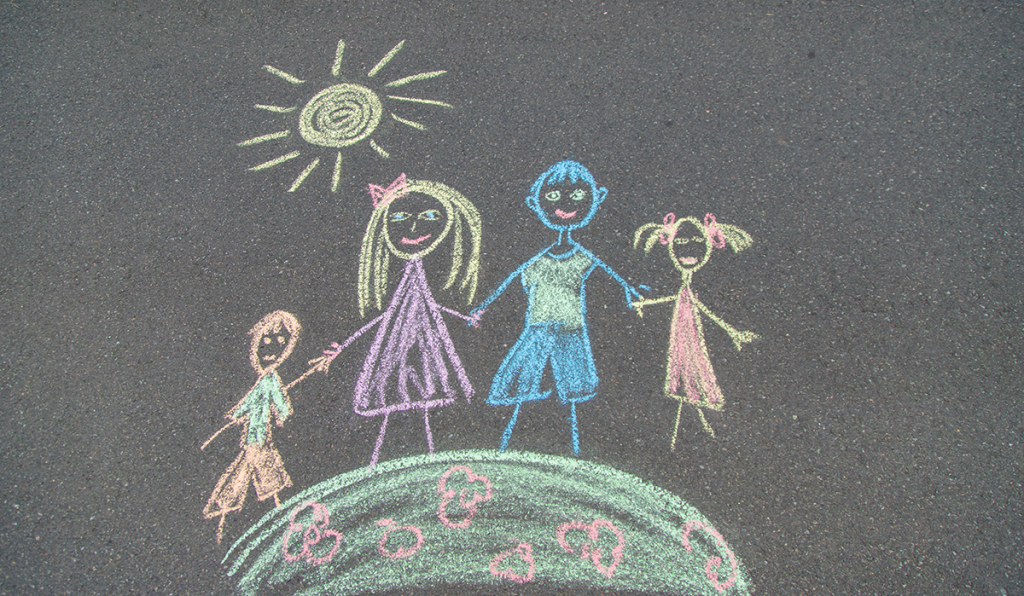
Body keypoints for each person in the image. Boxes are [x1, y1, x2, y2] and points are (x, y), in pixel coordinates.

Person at [470, 160, 641, 454]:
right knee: (528, 388)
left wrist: (633, 293)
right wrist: (484, 307)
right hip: (539, 329)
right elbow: (507, 282)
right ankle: (514, 445)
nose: (565, 204)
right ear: (534, 202)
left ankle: (568, 449)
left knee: (570, 395)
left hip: (571, 330)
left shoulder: (583, 257)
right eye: (552, 196)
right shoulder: (536, 259)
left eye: (577, 196)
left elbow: (613, 274)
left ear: (596, 198)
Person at [315, 174, 482, 467]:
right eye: (400, 218)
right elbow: (387, 316)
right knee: (398, 399)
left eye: (430, 216)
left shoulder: (416, 274)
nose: (414, 228)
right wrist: (343, 346)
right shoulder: (402, 277)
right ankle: (389, 459)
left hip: (420, 341)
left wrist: (463, 317)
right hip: (400, 344)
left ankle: (413, 458)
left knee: (417, 401)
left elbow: (428, 306)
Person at [632, 213, 758, 448]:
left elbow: (702, 309)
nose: (688, 250)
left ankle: (698, 433)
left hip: (690, 340)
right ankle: (691, 432)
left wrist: (733, 332)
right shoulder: (686, 284)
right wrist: (647, 304)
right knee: (687, 384)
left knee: (694, 380)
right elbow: (680, 300)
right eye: (680, 242)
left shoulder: (696, 284)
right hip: (683, 337)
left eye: (698, 242)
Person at [202, 310, 310, 544]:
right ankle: (233, 515)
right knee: (261, 477)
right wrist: (236, 416)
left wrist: (282, 413)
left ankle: (227, 513)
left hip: (258, 437)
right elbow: (253, 401)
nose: (271, 349)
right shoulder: (266, 379)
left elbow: (278, 401)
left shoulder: (269, 379)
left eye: (280, 342)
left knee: (259, 476)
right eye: (266, 341)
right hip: (256, 437)